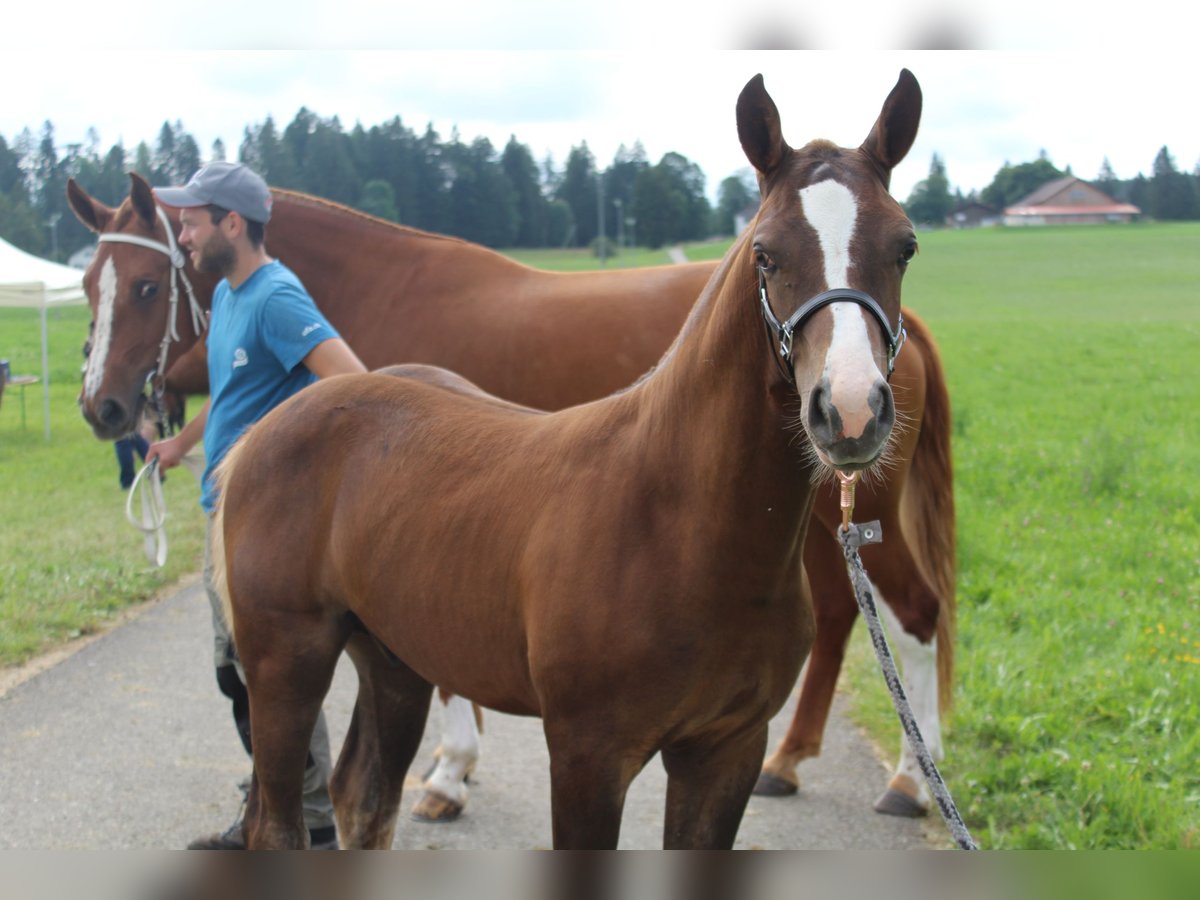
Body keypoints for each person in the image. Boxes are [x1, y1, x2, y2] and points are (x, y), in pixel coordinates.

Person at [147, 161, 367, 850]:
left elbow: (353, 384)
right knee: (239, 676)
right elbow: (229, 392)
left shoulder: (276, 297)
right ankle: (268, 813)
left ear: (231, 224)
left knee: (275, 678)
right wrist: (182, 445)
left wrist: (288, 475)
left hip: (266, 529)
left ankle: (311, 827)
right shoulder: (228, 299)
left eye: (191, 219)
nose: (182, 233)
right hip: (224, 517)